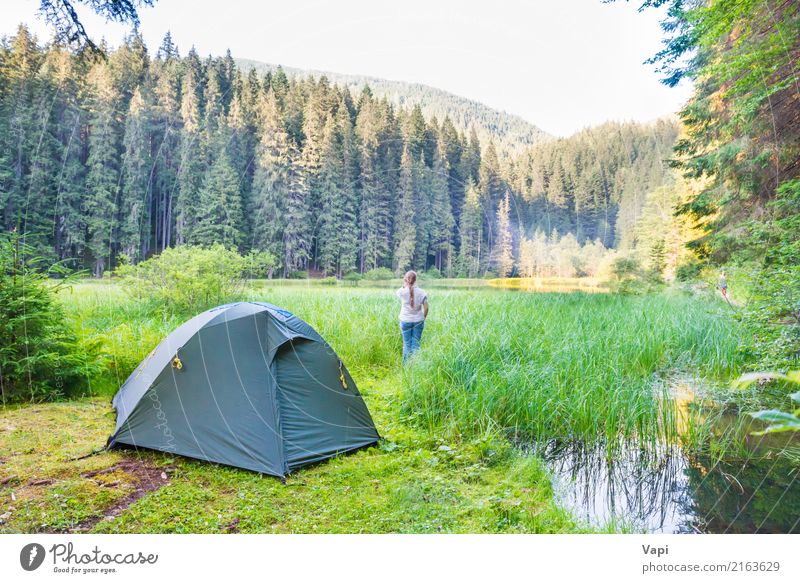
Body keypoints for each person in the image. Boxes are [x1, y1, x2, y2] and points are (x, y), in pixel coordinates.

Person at [396, 270, 428, 363]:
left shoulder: (402, 291)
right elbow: (426, 308)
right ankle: (415, 366)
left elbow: (398, 292)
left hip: (405, 320)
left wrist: (405, 284)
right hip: (418, 321)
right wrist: (423, 318)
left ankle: (406, 368)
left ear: (406, 279)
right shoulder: (422, 292)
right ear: (415, 280)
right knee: (416, 345)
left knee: (406, 344)